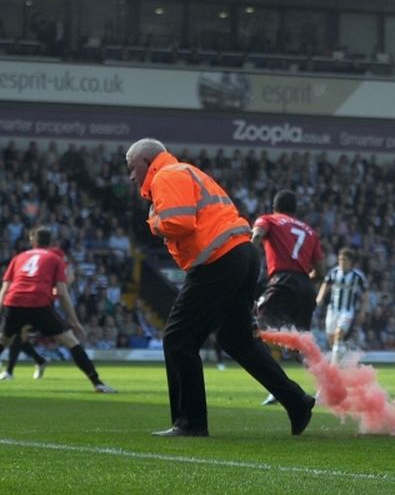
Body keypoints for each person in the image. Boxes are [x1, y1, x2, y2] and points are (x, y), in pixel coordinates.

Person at [125, 138, 314, 436]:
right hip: (240, 254)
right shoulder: (187, 172)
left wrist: (154, 222)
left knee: (178, 339)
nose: (131, 176)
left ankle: (190, 423)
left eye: (131, 167)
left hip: (218, 259)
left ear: (147, 160)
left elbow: (179, 223)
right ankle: (296, 400)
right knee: (236, 340)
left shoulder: (165, 175)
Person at [0, 227, 115, 393]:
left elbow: (4, 290)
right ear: (51, 243)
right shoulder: (55, 258)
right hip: (38, 303)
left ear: (33, 241)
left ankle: (16, 369)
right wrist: (74, 322)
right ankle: (97, 383)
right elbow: (62, 292)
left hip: (14, 302)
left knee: (4, 341)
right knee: (71, 341)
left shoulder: (19, 257)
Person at [251, 189, 326, 405]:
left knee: (259, 325)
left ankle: (279, 386)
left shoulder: (269, 219)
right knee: (298, 344)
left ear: (274, 207)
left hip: (283, 281)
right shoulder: (310, 232)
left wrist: (245, 259)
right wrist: (302, 283)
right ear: (295, 210)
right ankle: (325, 385)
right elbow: (320, 271)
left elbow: (257, 236)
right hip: (305, 287)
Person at [1, 240, 74, 380]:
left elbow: (68, 277)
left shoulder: (51, 255)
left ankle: (11, 371)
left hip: (39, 302)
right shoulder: (56, 256)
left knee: (17, 334)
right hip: (38, 300)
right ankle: (38, 361)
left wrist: (54, 290)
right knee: (19, 335)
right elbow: (70, 277)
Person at [316, 247, 367, 365]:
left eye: (344, 259)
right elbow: (326, 285)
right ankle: (343, 355)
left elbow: (365, 294)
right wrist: (320, 297)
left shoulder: (357, 276)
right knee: (331, 340)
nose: (341, 262)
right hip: (332, 310)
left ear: (350, 261)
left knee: (339, 335)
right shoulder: (334, 273)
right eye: (340, 259)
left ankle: (333, 368)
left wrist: (362, 311)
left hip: (347, 311)